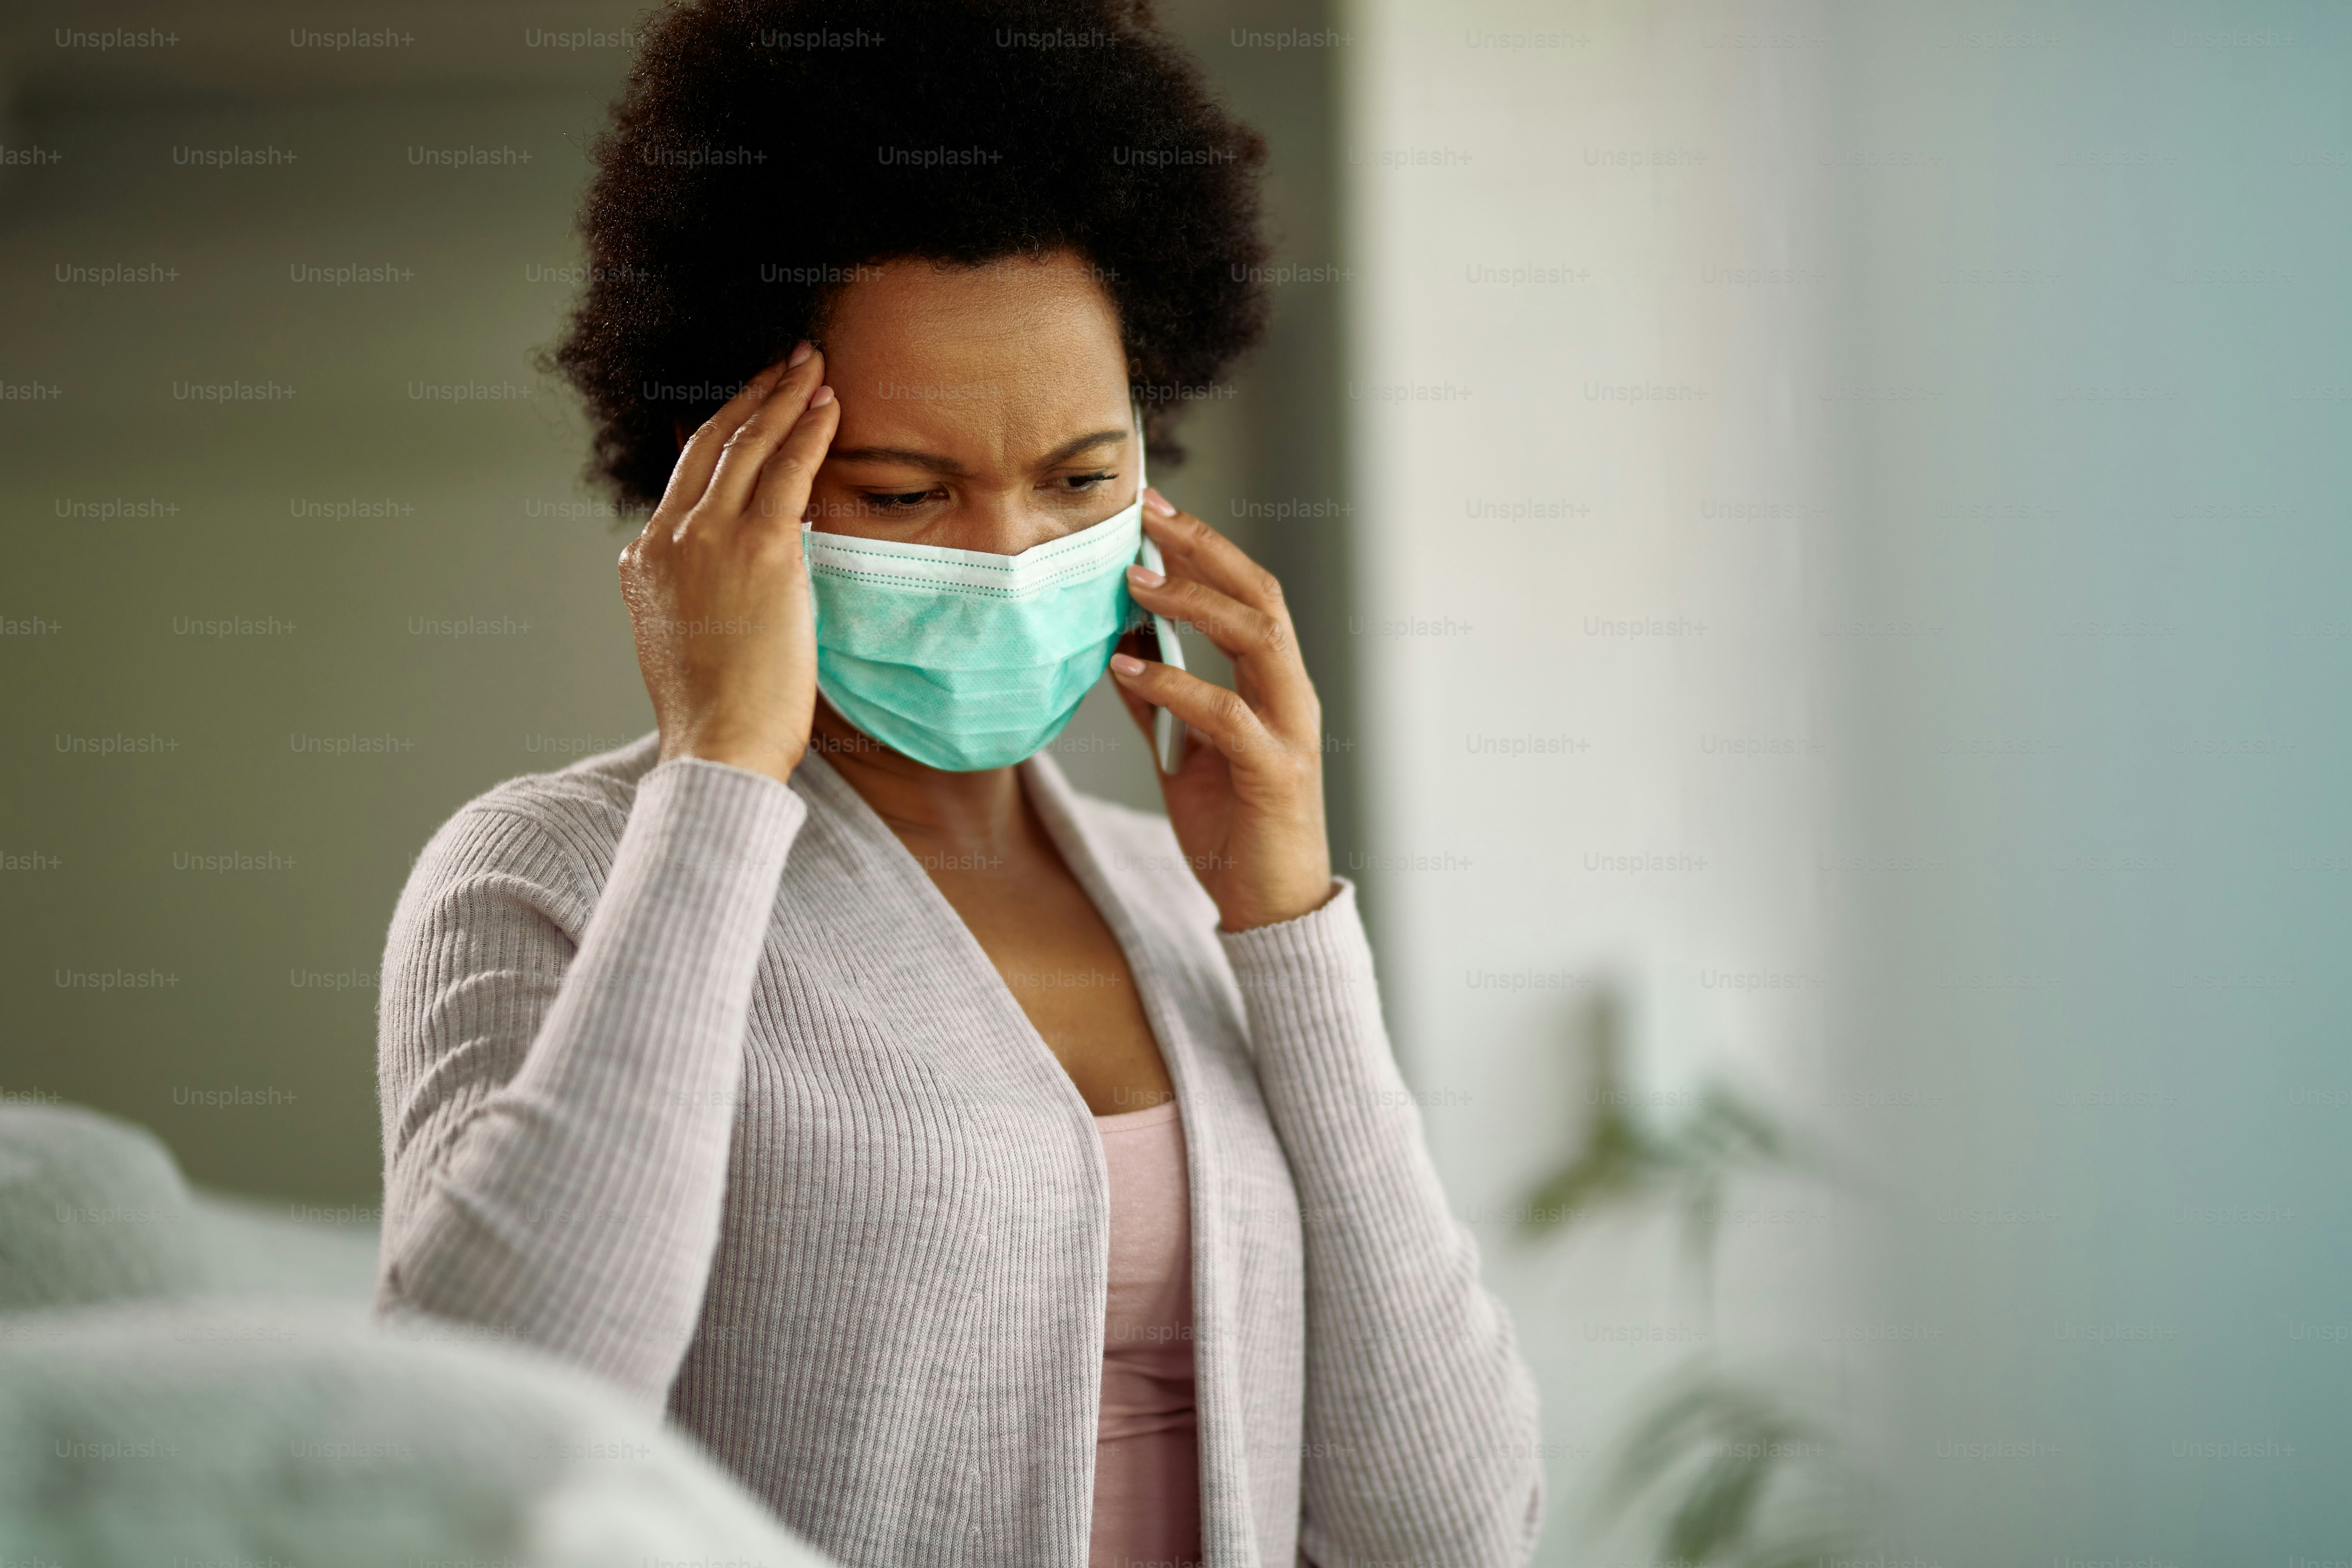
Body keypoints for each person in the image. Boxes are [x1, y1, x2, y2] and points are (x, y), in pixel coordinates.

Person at [374, 3, 1543, 1564]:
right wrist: (721, 774)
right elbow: (477, 1450)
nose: (1008, 556)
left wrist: (1288, 925)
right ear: (721, 478)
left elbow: (1450, 1536)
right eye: (908, 493)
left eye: (1078, 478)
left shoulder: (1173, 896)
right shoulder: (547, 873)